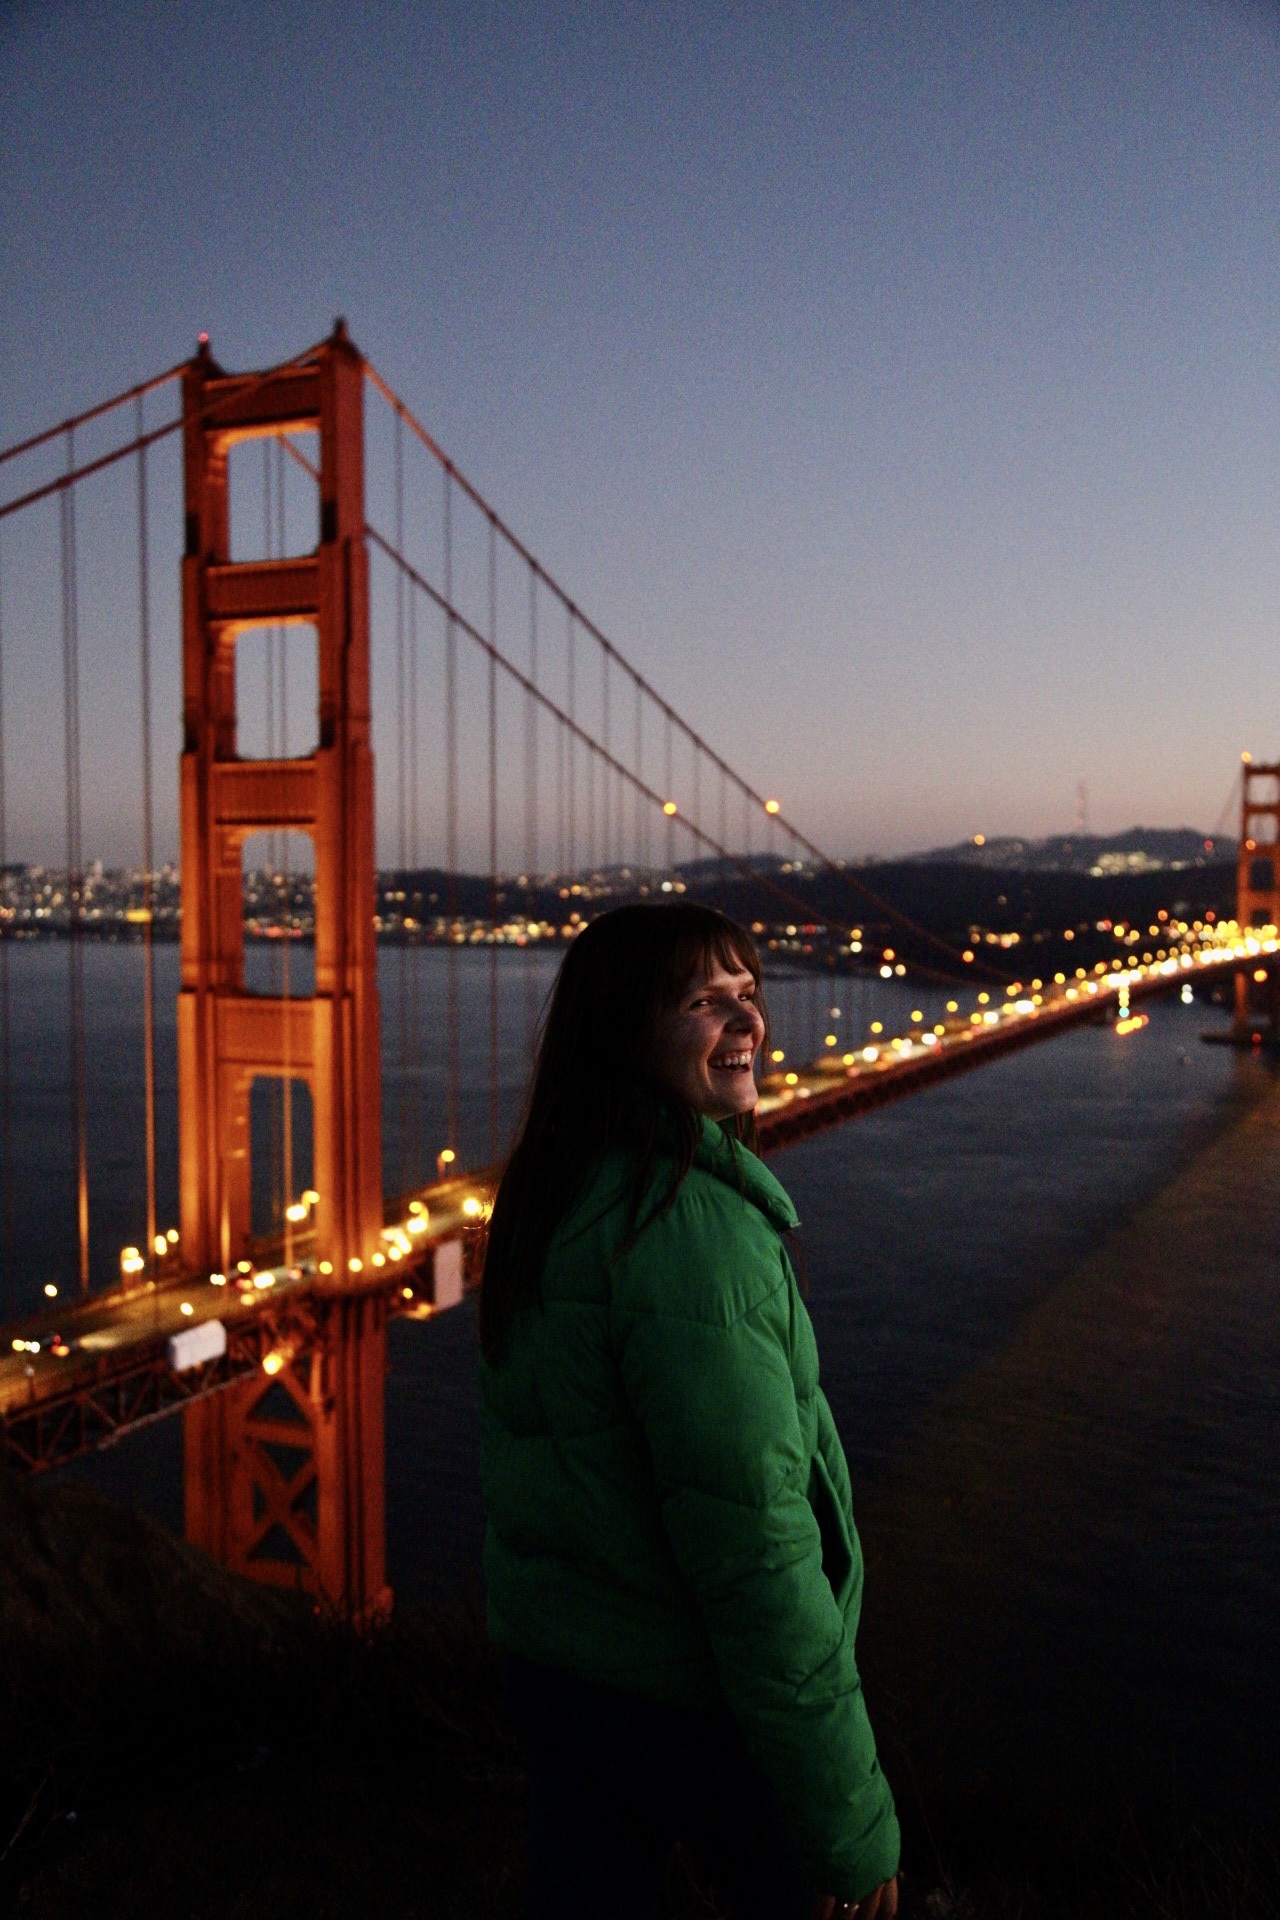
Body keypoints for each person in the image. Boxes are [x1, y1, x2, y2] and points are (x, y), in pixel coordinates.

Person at [479, 902, 900, 1920]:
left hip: (562, 1673)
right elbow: (756, 1548)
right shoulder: (687, 1228)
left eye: (748, 994)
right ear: (624, 1033)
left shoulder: (552, 1194)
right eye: (704, 1002)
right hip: (686, 1700)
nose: (748, 1021)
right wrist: (849, 1826)